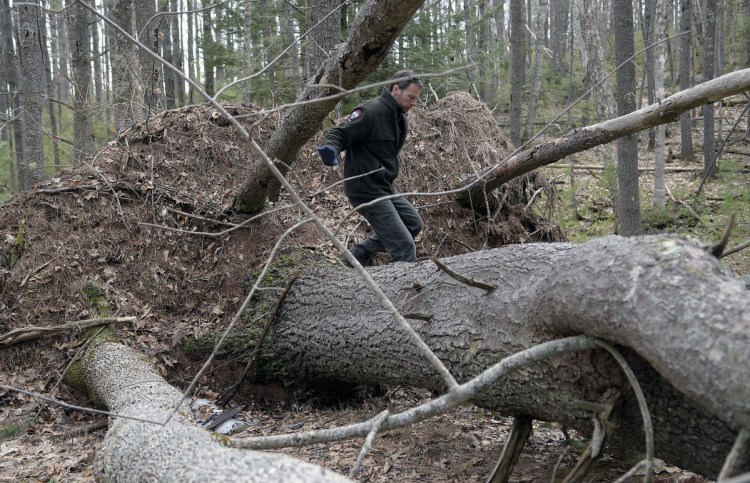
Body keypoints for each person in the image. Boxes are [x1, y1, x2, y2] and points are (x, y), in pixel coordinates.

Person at [317, 70, 423, 267]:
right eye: (411, 97)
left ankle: (361, 252)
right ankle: (399, 293)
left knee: (413, 224)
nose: (414, 103)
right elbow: (339, 133)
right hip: (365, 189)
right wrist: (330, 150)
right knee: (404, 247)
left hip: (384, 186)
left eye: (416, 99)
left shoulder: (401, 120)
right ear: (396, 89)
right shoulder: (370, 111)